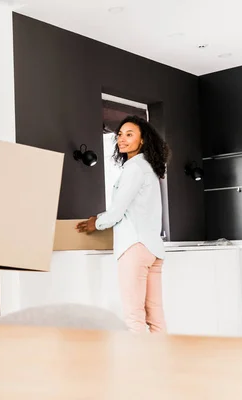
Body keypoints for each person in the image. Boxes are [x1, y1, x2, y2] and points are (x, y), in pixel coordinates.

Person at [76, 115, 170, 333]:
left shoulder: (134, 168)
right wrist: (101, 217)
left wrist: (95, 223)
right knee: (155, 317)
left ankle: (139, 366)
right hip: (153, 249)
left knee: (133, 316)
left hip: (134, 247)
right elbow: (131, 208)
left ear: (142, 140)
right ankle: (161, 364)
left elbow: (117, 212)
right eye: (119, 134)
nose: (122, 139)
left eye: (129, 135)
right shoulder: (149, 168)